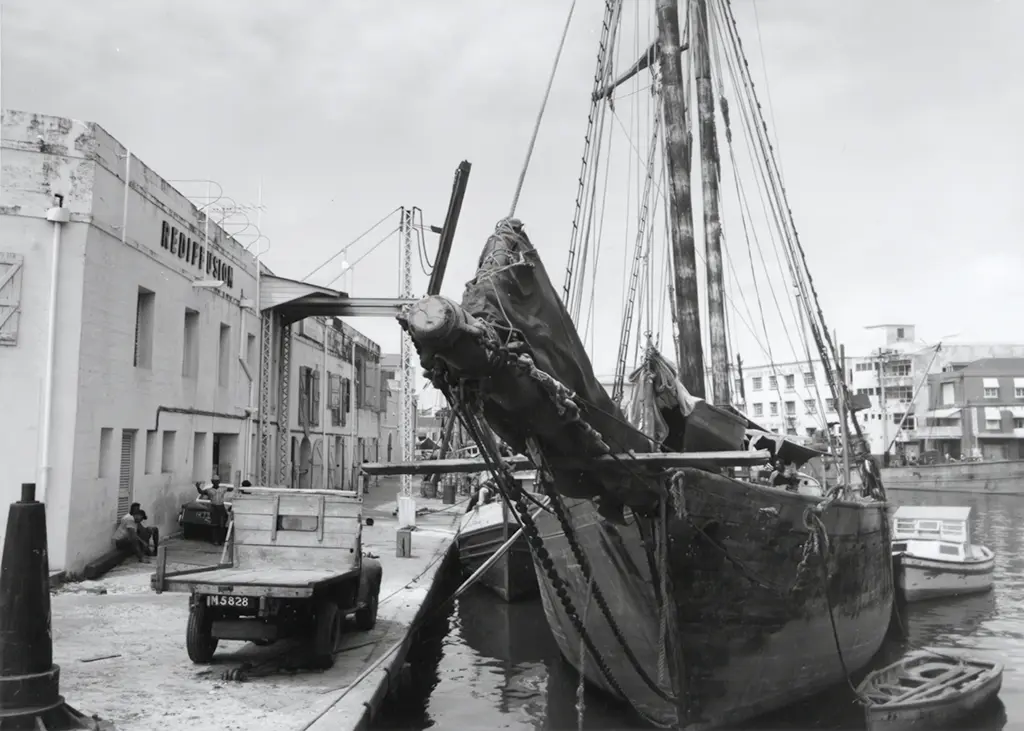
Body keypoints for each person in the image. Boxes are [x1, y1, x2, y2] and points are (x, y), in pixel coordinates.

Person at [196, 475, 230, 545]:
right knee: (214, 525)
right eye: (214, 481)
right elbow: (201, 492)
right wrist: (198, 487)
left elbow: (232, 489)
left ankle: (221, 540)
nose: (216, 482)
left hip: (221, 507)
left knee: (222, 525)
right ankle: (215, 540)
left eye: (217, 481)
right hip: (214, 507)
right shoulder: (209, 490)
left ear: (219, 481)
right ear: (212, 482)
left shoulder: (223, 489)